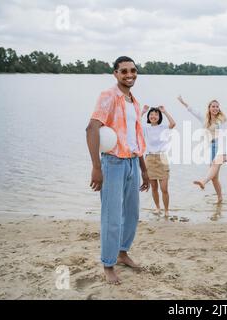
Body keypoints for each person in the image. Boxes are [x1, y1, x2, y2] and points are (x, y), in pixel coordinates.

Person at [86, 56, 150, 284]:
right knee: (112, 216)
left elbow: (136, 137)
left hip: (132, 162)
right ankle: (108, 263)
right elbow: (92, 128)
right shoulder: (108, 96)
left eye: (133, 70)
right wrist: (96, 167)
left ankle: (123, 253)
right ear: (115, 73)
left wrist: (144, 169)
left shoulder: (134, 101)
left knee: (132, 214)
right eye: (124, 71)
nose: (129, 74)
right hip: (112, 164)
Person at [177, 95, 227, 203]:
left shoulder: (225, 121)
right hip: (213, 148)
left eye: (217, 107)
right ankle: (220, 199)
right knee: (214, 177)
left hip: (224, 147)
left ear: (219, 109)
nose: (215, 108)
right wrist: (183, 102)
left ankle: (203, 182)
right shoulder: (205, 120)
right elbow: (193, 111)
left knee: (214, 164)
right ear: (209, 108)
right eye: (213, 106)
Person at [140, 105, 176, 217]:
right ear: (148, 117)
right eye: (151, 114)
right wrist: (142, 112)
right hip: (149, 159)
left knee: (164, 188)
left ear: (159, 116)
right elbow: (135, 124)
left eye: (156, 114)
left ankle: (166, 210)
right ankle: (157, 208)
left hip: (162, 158)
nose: (153, 116)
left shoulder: (163, 127)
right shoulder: (146, 128)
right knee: (154, 187)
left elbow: (173, 123)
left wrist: (164, 111)